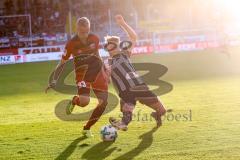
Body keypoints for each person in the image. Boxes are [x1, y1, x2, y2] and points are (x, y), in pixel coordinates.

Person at [46, 17, 109, 137]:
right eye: (81, 32)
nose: (84, 35)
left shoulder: (94, 38)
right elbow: (62, 62)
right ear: (77, 29)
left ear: (89, 29)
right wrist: (54, 79)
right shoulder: (71, 44)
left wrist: (105, 71)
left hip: (97, 72)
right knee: (85, 102)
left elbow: (97, 54)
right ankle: (75, 100)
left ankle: (87, 128)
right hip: (82, 76)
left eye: (86, 32)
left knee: (103, 103)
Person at [105, 15, 168, 131]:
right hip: (126, 92)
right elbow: (106, 81)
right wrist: (107, 73)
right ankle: (122, 123)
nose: (111, 48)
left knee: (162, 111)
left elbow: (133, 37)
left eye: (113, 45)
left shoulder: (124, 53)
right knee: (127, 114)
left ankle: (156, 115)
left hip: (140, 87)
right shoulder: (107, 62)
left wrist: (123, 24)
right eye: (109, 45)